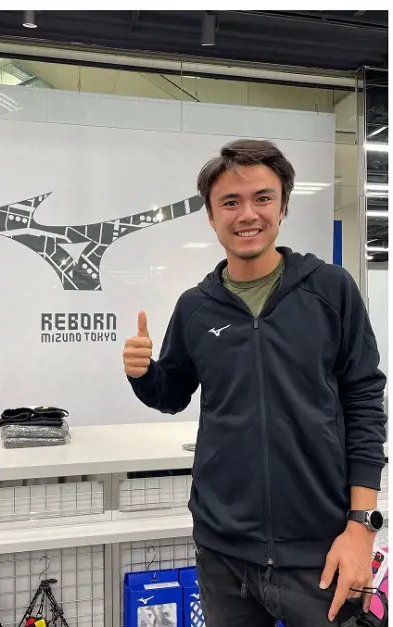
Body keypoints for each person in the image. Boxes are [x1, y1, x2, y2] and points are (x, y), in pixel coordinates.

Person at [122, 139, 387, 626]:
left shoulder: (330, 290)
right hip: (224, 552)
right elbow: (172, 394)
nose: (247, 214)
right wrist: (144, 375)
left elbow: (365, 402)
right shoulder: (196, 308)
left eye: (262, 198)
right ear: (211, 215)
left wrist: (361, 526)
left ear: (283, 206)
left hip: (321, 549)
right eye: (230, 201)